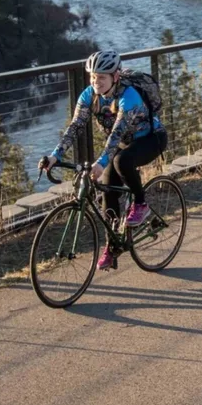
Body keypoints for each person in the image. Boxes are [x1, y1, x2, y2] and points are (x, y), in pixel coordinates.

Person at [39, 49, 167, 270]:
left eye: (102, 77)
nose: (96, 81)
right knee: (108, 191)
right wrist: (54, 156)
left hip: (150, 139)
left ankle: (141, 204)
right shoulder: (89, 95)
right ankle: (112, 247)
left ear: (115, 77)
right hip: (124, 144)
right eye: (93, 77)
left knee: (121, 161)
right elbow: (75, 127)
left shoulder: (130, 97)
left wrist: (100, 163)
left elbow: (116, 136)